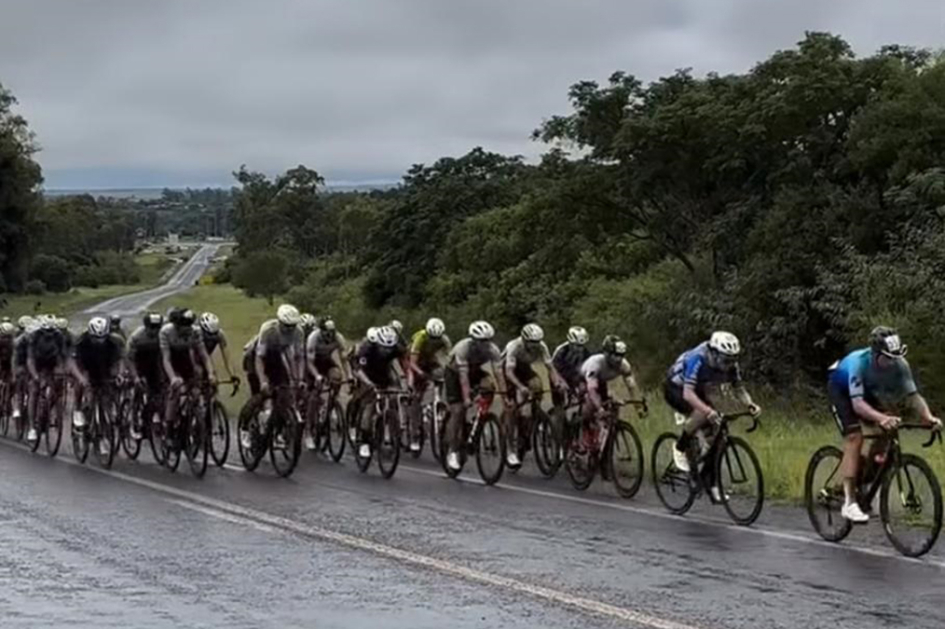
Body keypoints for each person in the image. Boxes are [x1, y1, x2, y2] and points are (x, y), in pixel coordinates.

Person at [827, 326, 942, 523]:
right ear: (875, 353)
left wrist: (929, 417)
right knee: (855, 437)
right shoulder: (859, 363)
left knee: (888, 428)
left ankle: (864, 476)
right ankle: (849, 503)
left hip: (867, 393)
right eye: (887, 357)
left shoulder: (899, 363)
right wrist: (880, 418)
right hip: (841, 390)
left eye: (895, 357)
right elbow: (857, 405)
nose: (892, 362)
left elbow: (912, 396)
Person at [663, 331, 761, 500]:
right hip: (676, 388)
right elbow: (688, 395)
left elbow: (739, 388)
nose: (728, 365)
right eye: (725, 360)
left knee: (718, 433)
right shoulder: (698, 358)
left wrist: (750, 404)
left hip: (701, 388)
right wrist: (708, 411)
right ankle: (681, 446)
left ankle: (710, 481)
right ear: (714, 353)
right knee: (703, 413)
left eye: (732, 361)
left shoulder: (731, 363)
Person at [443, 321, 511, 472]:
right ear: (473, 339)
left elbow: (499, 374)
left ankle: (482, 415)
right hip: (454, 373)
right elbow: (463, 377)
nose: (484, 344)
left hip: (475, 370)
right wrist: (467, 398)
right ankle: (452, 451)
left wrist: (505, 396)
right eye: (481, 341)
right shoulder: (463, 348)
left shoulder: (493, 350)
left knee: (489, 385)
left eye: (487, 341)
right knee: (458, 410)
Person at [239, 305, 305, 449]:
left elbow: (299, 357)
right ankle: (245, 429)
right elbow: (259, 358)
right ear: (279, 322)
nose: (289, 330)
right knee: (262, 395)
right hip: (255, 358)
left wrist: (299, 379)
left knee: (284, 394)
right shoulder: (268, 329)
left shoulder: (299, 332)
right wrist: (263, 381)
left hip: (276, 358)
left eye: (292, 326)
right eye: (286, 326)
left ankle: (277, 433)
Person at [502, 323, 566, 467]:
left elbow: (550, 368)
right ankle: (510, 449)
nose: (534, 345)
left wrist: (557, 383)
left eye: (536, 342)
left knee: (537, 385)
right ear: (524, 340)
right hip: (508, 369)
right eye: (531, 343)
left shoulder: (542, 346)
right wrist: (520, 387)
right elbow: (509, 373)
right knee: (512, 407)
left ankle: (532, 416)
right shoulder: (514, 346)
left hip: (524, 368)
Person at [350, 325, 404, 459]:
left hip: (383, 374)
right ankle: (364, 441)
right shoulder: (367, 348)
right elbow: (358, 370)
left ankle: (390, 424)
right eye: (383, 348)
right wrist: (368, 384)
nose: (386, 351)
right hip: (366, 374)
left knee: (393, 396)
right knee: (369, 405)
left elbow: (403, 363)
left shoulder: (396, 348)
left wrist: (404, 382)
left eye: (389, 348)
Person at [72, 317, 125, 452]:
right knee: (85, 389)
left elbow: (119, 360)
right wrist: (81, 378)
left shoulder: (114, 341)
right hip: (86, 365)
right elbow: (75, 363)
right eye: (96, 338)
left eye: (102, 338)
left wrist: (119, 374)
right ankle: (79, 410)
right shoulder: (81, 341)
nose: (100, 341)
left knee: (106, 399)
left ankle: (103, 431)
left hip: (104, 367)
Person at [159, 308, 215, 428]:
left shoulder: (195, 331)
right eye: (185, 326)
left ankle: (190, 419)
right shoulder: (166, 332)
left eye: (190, 325)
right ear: (177, 325)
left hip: (186, 360)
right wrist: (173, 378)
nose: (188, 328)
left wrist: (210, 373)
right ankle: (168, 427)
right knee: (176, 391)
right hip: (171, 362)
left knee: (195, 392)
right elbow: (166, 359)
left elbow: (204, 355)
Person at [304, 317, 351, 450]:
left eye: (332, 332)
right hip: (313, 364)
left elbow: (344, 359)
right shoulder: (313, 337)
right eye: (327, 333)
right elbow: (309, 362)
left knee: (337, 376)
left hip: (326, 362)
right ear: (321, 330)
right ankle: (308, 431)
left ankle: (331, 404)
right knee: (314, 394)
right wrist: (317, 376)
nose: (329, 335)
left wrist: (350, 376)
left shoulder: (338, 337)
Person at [406, 317, 452, 453]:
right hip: (417, 361)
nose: (434, 341)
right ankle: (414, 436)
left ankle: (437, 403)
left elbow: (450, 357)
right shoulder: (420, 338)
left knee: (441, 374)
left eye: (436, 339)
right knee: (416, 398)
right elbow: (412, 363)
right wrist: (420, 373)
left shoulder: (444, 339)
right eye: (432, 338)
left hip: (430, 361)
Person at [25, 315, 70, 442]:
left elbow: (64, 356)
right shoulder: (34, 336)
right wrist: (34, 375)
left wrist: (63, 370)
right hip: (37, 363)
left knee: (56, 388)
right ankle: (32, 427)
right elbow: (30, 359)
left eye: (51, 332)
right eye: (46, 332)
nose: (49, 335)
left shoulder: (59, 336)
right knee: (34, 390)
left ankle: (48, 410)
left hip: (52, 363)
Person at [126, 312, 166, 437]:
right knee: (138, 390)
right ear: (146, 326)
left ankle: (155, 416)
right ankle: (133, 422)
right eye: (152, 328)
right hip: (138, 364)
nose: (155, 331)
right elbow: (129, 359)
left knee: (158, 393)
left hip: (154, 364)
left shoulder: (163, 335)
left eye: (157, 328)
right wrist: (136, 377)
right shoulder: (137, 337)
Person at [198, 312, 235, 381]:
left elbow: (227, 358)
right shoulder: (197, 334)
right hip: (190, 357)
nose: (212, 337)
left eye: (214, 334)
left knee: (213, 377)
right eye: (209, 334)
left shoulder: (220, 334)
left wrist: (232, 375)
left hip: (206, 357)